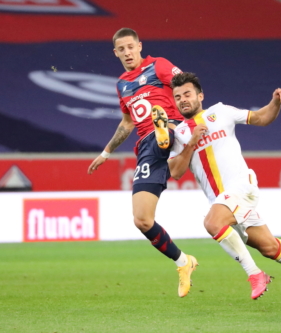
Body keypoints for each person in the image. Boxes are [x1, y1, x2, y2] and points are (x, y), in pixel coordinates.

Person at [167, 72, 281, 300]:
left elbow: (261, 117)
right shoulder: (178, 135)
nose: (183, 100)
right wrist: (192, 142)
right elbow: (176, 172)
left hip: (241, 187)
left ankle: (255, 274)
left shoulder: (220, 112)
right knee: (270, 248)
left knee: (211, 222)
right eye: (178, 97)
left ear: (200, 96)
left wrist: (275, 103)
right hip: (223, 203)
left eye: (187, 94)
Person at [87, 28, 197, 298]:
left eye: (130, 47)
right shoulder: (122, 84)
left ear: (139, 46)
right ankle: (184, 262)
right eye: (121, 49)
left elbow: (185, 88)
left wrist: (196, 121)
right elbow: (127, 123)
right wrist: (107, 152)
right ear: (116, 53)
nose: (126, 53)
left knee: (165, 131)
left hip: (178, 128)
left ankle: (165, 132)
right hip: (146, 146)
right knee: (142, 220)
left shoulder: (158, 65)